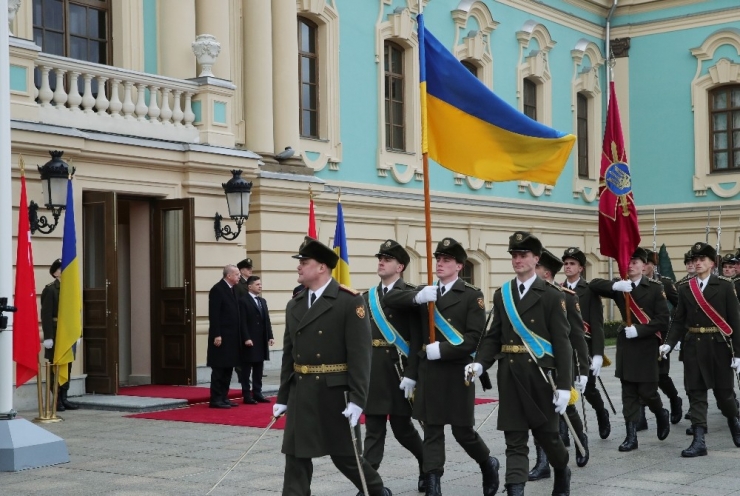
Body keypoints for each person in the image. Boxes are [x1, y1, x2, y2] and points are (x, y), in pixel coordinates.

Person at [273, 237, 392, 496]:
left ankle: (377, 491)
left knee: (346, 457)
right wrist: (283, 397)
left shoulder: (348, 301)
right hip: (302, 392)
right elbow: (289, 356)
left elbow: (361, 356)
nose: (299, 267)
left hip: (335, 393)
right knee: (296, 458)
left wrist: (358, 399)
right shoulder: (295, 304)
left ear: (322, 268)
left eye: (305, 262)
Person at [386, 237, 499, 496]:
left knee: (463, 432)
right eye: (438, 259)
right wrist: (417, 297)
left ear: (460, 266)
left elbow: (475, 337)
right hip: (430, 373)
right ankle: (434, 484)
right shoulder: (426, 293)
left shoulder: (471, 295)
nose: (440, 264)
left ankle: (487, 463)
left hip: (457, 372)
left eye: (447, 260)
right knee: (432, 431)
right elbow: (392, 300)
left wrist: (444, 350)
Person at [468, 232, 572, 496]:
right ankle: (515, 489)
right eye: (514, 255)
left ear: (536, 259)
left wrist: (564, 385)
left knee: (548, 436)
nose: (517, 260)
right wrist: (481, 363)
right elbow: (493, 336)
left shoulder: (551, 295)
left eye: (523, 255)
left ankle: (562, 469)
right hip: (511, 376)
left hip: (541, 376)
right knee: (514, 440)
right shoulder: (503, 294)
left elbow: (562, 343)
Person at [661, 242, 740, 457]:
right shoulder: (686, 288)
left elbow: (735, 321)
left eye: (702, 260)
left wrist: (738, 354)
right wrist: (669, 343)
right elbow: (679, 320)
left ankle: (734, 420)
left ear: (712, 263)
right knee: (695, 392)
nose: (697, 263)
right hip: (693, 346)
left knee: (724, 394)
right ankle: (699, 440)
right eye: (694, 260)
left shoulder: (724, 286)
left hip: (718, 346)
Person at [589, 248, 671, 452]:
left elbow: (663, 319)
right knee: (628, 392)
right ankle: (631, 436)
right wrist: (615, 284)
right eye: (628, 261)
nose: (631, 264)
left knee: (648, 392)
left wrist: (641, 330)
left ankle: (661, 413)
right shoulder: (621, 286)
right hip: (627, 346)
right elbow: (593, 285)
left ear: (644, 266)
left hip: (646, 345)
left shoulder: (654, 288)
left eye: (635, 262)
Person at [361, 240, 425, 493]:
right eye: (380, 258)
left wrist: (412, 374)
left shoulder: (412, 295)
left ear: (400, 266)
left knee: (402, 429)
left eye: (387, 259)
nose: (381, 262)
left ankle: (426, 464)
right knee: (374, 430)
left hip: (399, 371)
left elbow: (419, 339)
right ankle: (368, 484)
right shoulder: (367, 297)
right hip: (374, 372)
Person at [527, 248, 590, 482]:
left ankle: (579, 437)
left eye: (536, 268)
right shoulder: (526, 295)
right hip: (534, 363)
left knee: (566, 408)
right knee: (538, 412)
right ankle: (542, 463)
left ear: (546, 274)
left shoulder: (565, 296)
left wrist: (583, 370)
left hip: (560, 365)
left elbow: (577, 337)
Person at [561, 247, 610, 439]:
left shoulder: (589, 290)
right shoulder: (558, 289)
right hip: (565, 347)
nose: (568, 267)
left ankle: (601, 413)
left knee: (588, 389)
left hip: (585, 347)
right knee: (565, 386)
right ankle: (564, 429)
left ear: (581, 268)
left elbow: (597, 324)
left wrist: (598, 354)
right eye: (565, 264)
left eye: (572, 264)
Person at [641, 249, 683, 427]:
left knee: (661, 375)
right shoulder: (630, 284)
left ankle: (674, 399)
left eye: (647, 263)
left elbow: (680, 306)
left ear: (653, 265)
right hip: (639, 336)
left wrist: (676, 330)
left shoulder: (664, 283)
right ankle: (640, 417)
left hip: (659, 335)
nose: (643, 267)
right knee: (639, 376)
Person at [207, 265, 248, 409]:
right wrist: (217, 334)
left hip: (232, 337)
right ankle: (216, 399)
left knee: (228, 368)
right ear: (229, 275)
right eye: (237, 274)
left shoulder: (234, 290)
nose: (239, 277)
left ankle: (224, 397)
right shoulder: (218, 289)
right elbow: (214, 315)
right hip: (221, 337)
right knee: (219, 369)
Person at [41, 258, 78, 412]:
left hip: (68, 333)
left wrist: (78, 334)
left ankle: (64, 397)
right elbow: (46, 315)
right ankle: (56, 399)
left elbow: (76, 313)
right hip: (55, 333)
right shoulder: (50, 290)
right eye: (62, 269)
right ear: (56, 272)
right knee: (55, 366)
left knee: (67, 365)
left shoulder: (70, 289)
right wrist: (48, 336)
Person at [238, 275, 274, 404]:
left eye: (260, 284)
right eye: (257, 284)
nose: (260, 286)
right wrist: (246, 338)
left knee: (259, 368)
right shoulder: (243, 301)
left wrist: (270, 336)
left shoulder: (262, 301)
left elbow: (266, 320)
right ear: (250, 286)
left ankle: (257, 393)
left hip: (261, 339)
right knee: (246, 369)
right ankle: (247, 395)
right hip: (250, 340)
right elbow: (242, 322)